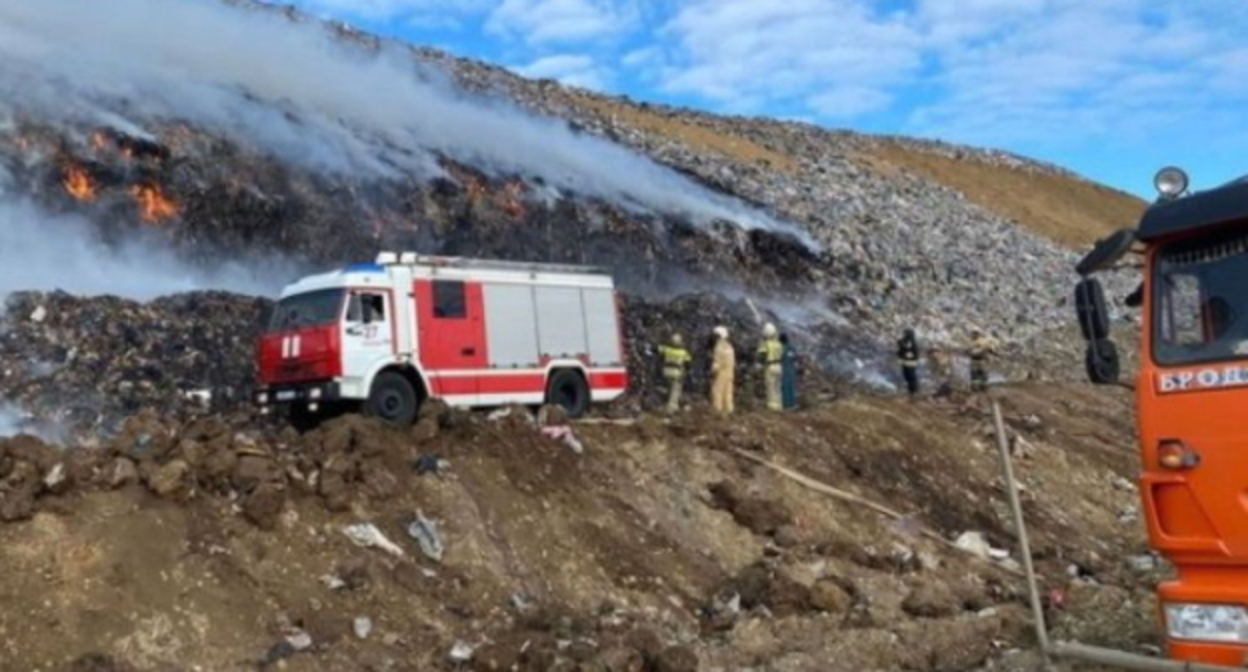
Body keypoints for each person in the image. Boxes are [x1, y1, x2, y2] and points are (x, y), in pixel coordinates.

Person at [657, 333, 691, 413]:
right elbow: (688, 362)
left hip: (666, 371)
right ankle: (672, 407)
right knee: (675, 390)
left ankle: (666, 402)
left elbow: (658, 349)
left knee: (669, 387)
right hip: (676, 373)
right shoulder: (683, 352)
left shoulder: (667, 349)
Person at [756, 322, 783, 410]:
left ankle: (772, 406)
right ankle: (779, 405)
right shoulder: (778, 344)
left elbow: (762, 355)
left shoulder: (765, 343)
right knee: (777, 386)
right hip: (779, 366)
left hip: (770, 366)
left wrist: (759, 364)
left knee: (770, 387)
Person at [710, 326, 735, 414]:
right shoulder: (729, 347)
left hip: (721, 372)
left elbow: (717, 361)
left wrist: (713, 371)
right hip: (730, 372)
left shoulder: (719, 346)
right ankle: (729, 408)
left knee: (718, 391)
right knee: (728, 392)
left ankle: (718, 409)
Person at [897, 328, 921, 397]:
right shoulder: (905, 341)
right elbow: (902, 349)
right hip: (905, 361)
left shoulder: (912, 342)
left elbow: (912, 352)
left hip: (911, 362)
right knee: (907, 376)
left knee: (911, 376)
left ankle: (914, 391)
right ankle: (911, 390)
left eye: (906, 333)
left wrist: (904, 352)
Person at [780, 333, 798, 410]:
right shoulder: (791, 348)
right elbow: (795, 358)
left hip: (783, 369)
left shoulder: (781, 348)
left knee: (784, 387)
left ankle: (786, 405)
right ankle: (792, 404)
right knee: (791, 387)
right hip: (791, 369)